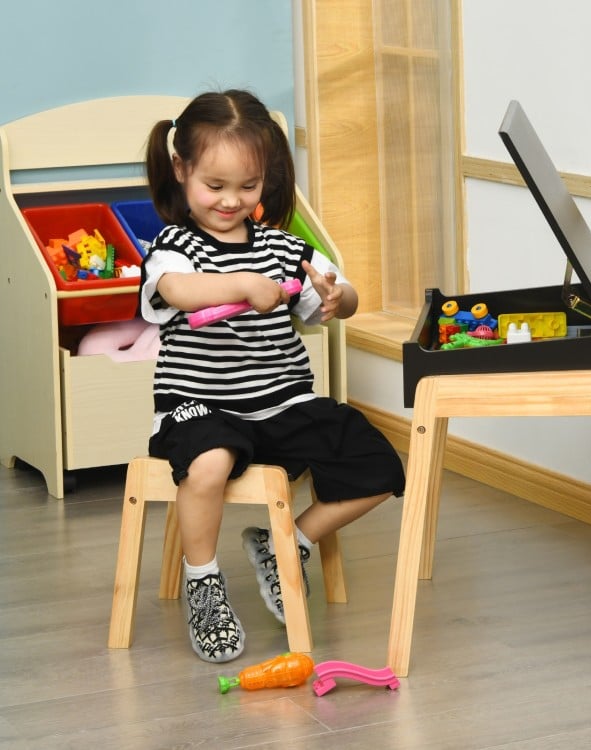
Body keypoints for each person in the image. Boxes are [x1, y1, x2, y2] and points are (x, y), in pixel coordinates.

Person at [140, 89, 405, 663]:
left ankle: (290, 542)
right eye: (215, 186)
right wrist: (240, 286)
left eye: (249, 186)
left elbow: (337, 291)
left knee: (379, 464)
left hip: (282, 404)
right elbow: (178, 291)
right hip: (200, 405)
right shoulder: (173, 247)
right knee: (209, 463)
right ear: (182, 170)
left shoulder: (285, 248)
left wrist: (341, 297)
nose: (232, 201)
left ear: (267, 179)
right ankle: (204, 582)